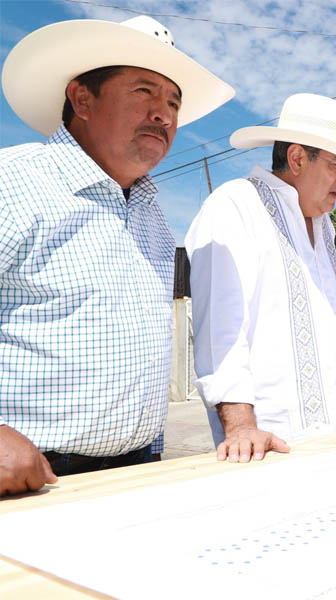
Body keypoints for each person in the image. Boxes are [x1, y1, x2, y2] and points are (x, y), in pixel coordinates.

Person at [0, 16, 234, 496]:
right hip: (27, 480)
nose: (164, 115)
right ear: (82, 98)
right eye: (144, 92)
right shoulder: (14, 183)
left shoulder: (152, 216)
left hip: (141, 470)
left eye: (173, 102)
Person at [185, 94, 336, 462]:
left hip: (328, 446)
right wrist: (241, 427)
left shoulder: (325, 227)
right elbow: (220, 328)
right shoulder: (236, 205)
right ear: (297, 158)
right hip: (262, 450)